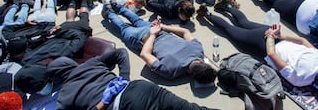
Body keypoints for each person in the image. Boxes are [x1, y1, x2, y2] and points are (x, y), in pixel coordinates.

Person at [196, 5, 318, 98]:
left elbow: (303, 41)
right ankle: (207, 14)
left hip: (276, 37)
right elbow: (271, 55)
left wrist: (278, 35)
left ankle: (228, 6)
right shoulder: (301, 80)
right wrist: (270, 37)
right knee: (231, 30)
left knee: (244, 22)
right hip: (264, 43)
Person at [46, 49, 213, 110]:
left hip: (125, 105)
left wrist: (101, 104)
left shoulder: (64, 96)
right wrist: (123, 78)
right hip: (141, 88)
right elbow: (121, 52)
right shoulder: (90, 64)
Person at [102, 3, 216, 83]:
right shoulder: (170, 71)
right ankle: (109, 12)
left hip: (157, 31)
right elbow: (145, 54)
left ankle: (115, 6)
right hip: (144, 38)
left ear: (203, 62)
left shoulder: (198, 50)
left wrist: (162, 27)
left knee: (137, 20)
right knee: (123, 26)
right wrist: (153, 34)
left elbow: (185, 32)